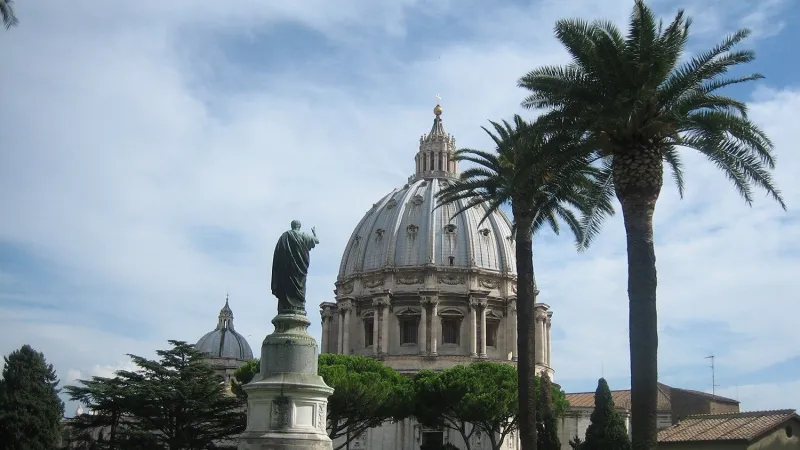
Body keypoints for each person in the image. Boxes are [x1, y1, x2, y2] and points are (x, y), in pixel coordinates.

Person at [271, 220, 319, 315]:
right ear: (299, 226)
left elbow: (278, 255)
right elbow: (316, 240)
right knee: (298, 287)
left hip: (286, 270)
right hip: (299, 271)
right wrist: (314, 233)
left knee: (286, 287)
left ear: (292, 226)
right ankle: (297, 306)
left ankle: (286, 307)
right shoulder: (304, 235)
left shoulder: (284, 237)